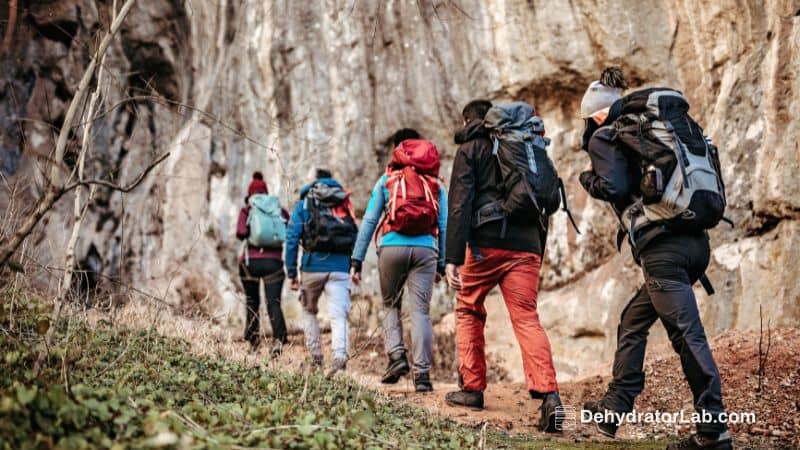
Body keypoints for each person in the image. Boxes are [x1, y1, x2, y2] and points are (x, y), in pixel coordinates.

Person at [578, 67, 732, 450]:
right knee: (633, 320)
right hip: (695, 243)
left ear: (597, 114)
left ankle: (713, 433)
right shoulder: (658, 129)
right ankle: (613, 409)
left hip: (664, 251)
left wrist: (588, 180)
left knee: (687, 335)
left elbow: (613, 185)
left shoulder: (606, 135)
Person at [443, 99, 563, 432]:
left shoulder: (471, 148)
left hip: (486, 244)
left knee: (468, 308)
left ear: (469, 119)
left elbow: (459, 204)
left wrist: (452, 258)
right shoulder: (524, 144)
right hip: (526, 245)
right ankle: (550, 394)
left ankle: (472, 388)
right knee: (526, 316)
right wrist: (535, 249)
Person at [350, 128, 447, 392]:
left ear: (398, 150)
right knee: (420, 312)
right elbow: (444, 224)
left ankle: (396, 356)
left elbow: (370, 220)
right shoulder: (436, 184)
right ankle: (423, 376)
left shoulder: (387, 180)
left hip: (392, 247)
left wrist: (356, 259)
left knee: (390, 304)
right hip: (426, 250)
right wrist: (442, 263)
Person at [286, 169, 358, 375]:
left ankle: (316, 358)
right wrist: (355, 265)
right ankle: (340, 361)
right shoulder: (343, 202)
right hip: (341, 268)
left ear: (315, 182)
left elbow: (292, 238)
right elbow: (355, 235)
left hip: (312, 267)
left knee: (309, 311)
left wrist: (291, 272)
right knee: (338, 316)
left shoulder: (305, 204)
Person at [235, 172, 289, 355]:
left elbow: (241, 232)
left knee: (252, 301)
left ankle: (253, 342)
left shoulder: (247, 209)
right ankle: (278, 340)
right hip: (274, 263)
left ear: (250, 194)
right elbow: (287, 226)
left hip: (251, 263)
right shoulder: (278, 209)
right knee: (273, 302)